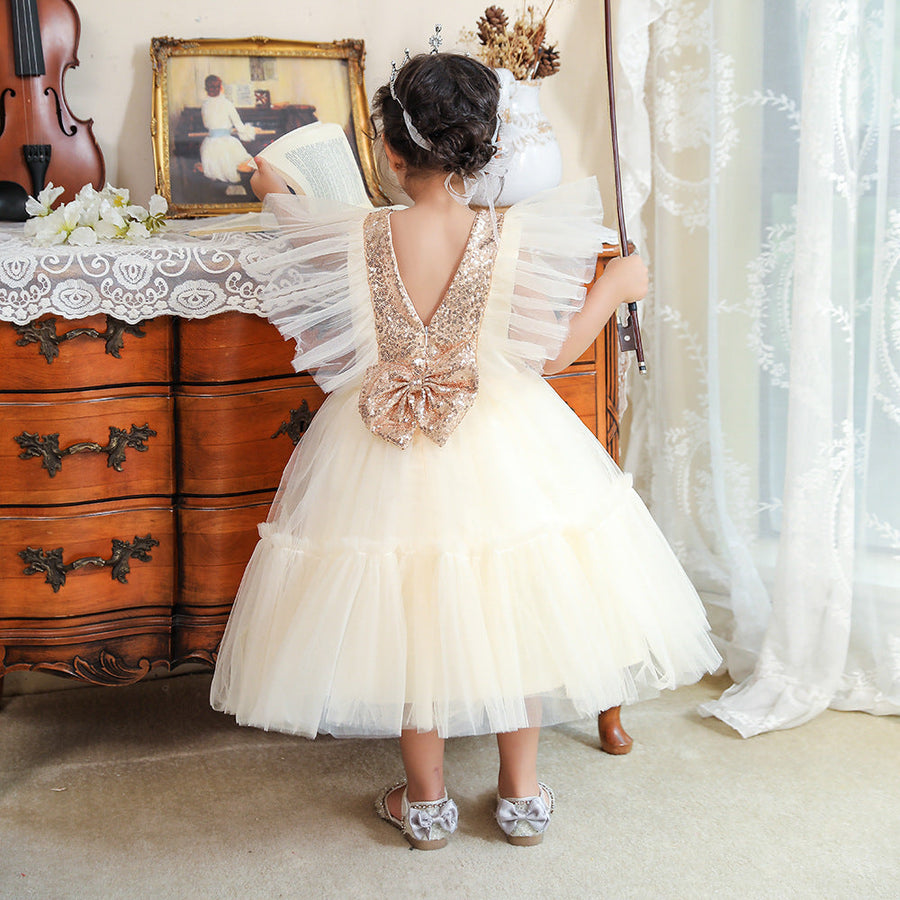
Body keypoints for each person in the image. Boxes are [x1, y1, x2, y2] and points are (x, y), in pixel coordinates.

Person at [210, 50, 721, 850]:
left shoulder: (360, 233)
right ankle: (521, 793)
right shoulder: (508, 234)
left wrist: (269, 183)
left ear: (389, 151)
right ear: (484, 147)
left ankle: (425, 802)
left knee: (413, 621)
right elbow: (550, 354)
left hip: (381, 452)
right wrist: (612, 289)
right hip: (502, 443)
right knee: (515, 612)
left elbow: (285, 211)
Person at [198, 74, 255, 184]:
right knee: (238, 161)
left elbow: (207, 124)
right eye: (215, 87)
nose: (216, 89)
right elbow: (239, 126)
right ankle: (238, 185)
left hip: (209, 145)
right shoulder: (227, 104)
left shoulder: (205, 104)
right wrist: (251, 130)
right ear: (221, 87)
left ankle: (222, 186)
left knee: (219, 168)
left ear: (206, 89)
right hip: (226, 144)